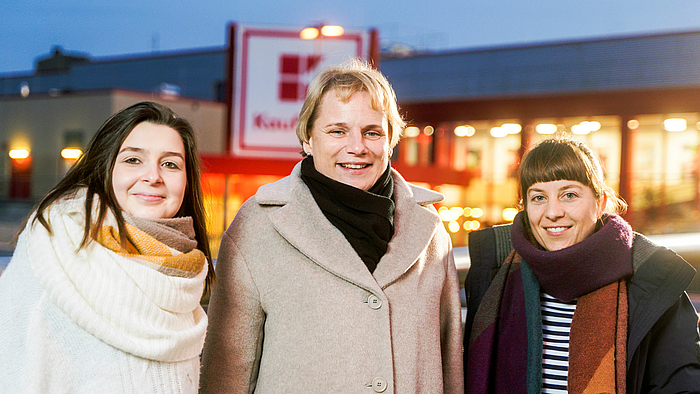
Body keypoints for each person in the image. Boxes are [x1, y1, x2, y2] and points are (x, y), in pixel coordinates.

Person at [200, 60, 464, 393]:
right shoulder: (258, 224)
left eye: (372, 132)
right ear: (308, 138)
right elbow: (227, 373)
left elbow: (449, 360)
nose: (357, 147)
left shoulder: (430, 230)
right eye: (337, 131)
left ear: (391, 140)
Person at [0, 101, 214, 393]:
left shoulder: (186, 279)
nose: (154, 176)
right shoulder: (54, 250)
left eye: (170, 164)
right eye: (133, 160)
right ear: (105, 167)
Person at [463, 136, 700, 394]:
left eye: (569, 195)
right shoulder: (493, 272)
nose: (553, 212)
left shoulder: (652, 279)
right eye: (539, 197)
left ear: (599, 203)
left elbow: (680, 386)